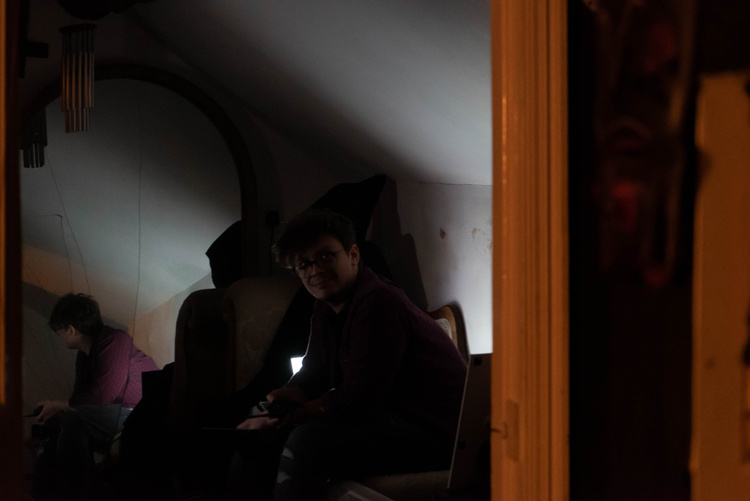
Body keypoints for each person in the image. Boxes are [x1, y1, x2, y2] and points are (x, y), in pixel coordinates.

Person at [228, 210, 467, 501]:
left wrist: (297, 413)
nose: (314, 271)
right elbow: (314, 372)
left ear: (353, 255)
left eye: (325, 256)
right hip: (391, 421)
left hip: (437, 434)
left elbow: (358, 401)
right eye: (304, 264)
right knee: (258, 422)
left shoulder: (377, 302)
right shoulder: (325, 308)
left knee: (308, 441)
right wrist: (285, 396)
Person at [33, 293, 159, 498]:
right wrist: (60, 411)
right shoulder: (84, 357)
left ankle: (79, 493)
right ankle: (44, 493)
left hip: (139, 411)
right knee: (58, 425)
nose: (61, 337)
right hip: (115, 412)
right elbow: (80, 400)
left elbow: (103, 397)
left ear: (71, 329)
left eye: (60, 332)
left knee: (72, 418)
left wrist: (59, 405)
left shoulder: (115, 340)